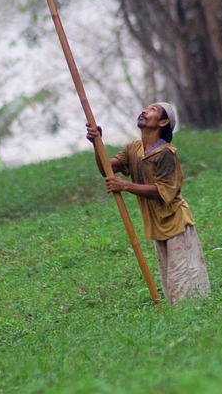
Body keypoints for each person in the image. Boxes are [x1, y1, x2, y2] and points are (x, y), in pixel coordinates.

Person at [86, 102, 210, 304]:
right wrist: (96, 143)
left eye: (152, 109)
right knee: (171, 288)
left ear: (163, 122)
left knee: (186, 285)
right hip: (157, 226)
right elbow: (107, 169)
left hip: (177, 224)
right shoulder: (134, 148)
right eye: (146, 108)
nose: (144, 111)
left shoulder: (166, 154)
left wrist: (125, 186)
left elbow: (163, 192)